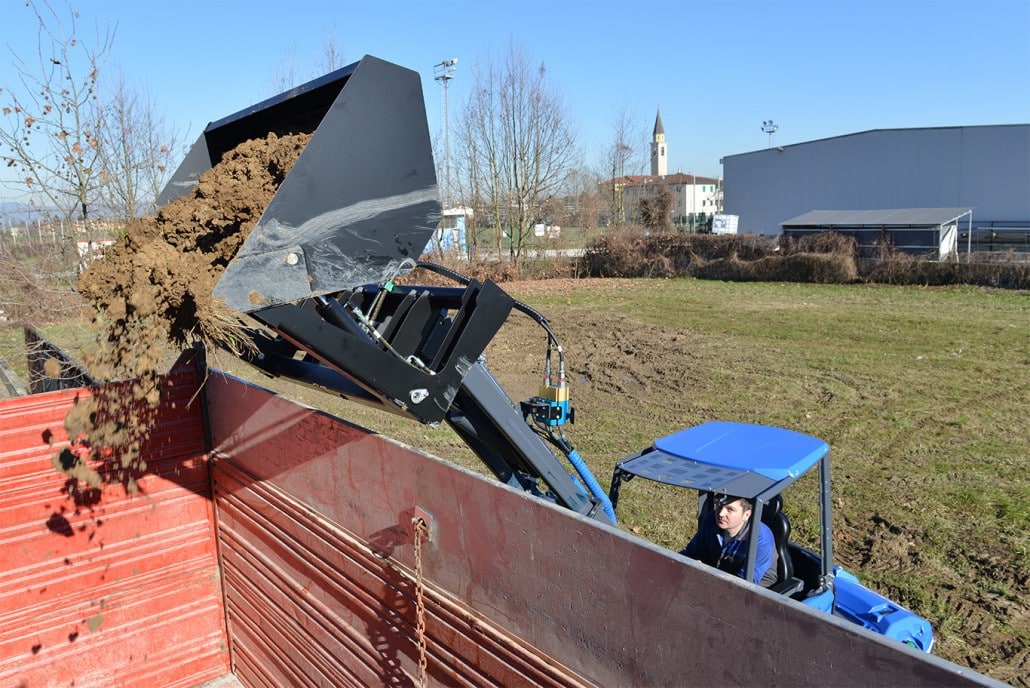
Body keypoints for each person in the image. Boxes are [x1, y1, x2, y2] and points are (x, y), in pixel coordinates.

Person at [680, 494, 778, 587]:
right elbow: (691, 552)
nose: (721, 514)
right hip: (721, 572)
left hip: (757, 585)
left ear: (746, 515)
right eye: (719, 506)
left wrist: (706, 579)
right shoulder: (711, 520)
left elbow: (746, 584)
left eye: (730, 509)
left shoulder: (761, 539)